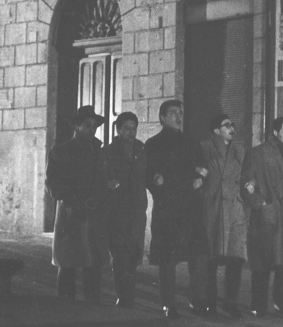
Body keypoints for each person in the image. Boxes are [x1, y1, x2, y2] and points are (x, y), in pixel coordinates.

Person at [145, 99, 211, 318]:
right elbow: (147, 174)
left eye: (180, 113)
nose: (178, 117)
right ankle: (168, 302)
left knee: (198, 257)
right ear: (162, 118)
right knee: (168, 258)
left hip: (191, 209)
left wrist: (201, 179)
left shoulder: (191, 143)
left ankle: (198, 300)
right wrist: (155, 180)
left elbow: (203, 169)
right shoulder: (153, 144)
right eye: (173, 113)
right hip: (168, 209)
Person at [240, 117, 283, 320]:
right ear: (275, 133)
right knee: (263, 263)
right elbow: (245, 183)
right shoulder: (258, 153)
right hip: (268, 215)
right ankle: (258, 305)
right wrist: (260, 204)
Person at [46, 105, 109, 302]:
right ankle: (66, 312)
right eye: (87, 125)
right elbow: (53, 185)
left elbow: (104, 180)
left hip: (95, 215)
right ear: (77, 126)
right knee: (68, 264)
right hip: (71, 216)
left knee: (94, 265)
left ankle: (93, 309)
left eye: (94, 126)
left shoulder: (100, 152)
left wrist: (99, 198)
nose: (92, 129)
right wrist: (77, 200)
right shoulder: (61, 151)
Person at [197, 114, 248, 317]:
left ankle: (231, 301)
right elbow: (195, 174)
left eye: (232, 125)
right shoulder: (204, 148)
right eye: (227, 126)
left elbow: (246, 176)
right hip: (213, 209)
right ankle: (209, 303)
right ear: (216, 130)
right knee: (211, 259)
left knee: (236, 258)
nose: (232, 129)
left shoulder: (239, 151)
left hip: (235, 210)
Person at [100, 112, 147, 308]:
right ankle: (122, 295)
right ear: (118, 130)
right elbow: (100, 179)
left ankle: (130, 295)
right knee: (120, 254)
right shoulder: (108, 152)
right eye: (126, 128)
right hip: (117, 212)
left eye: (134, 128)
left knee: (134, 253)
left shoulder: (141, 149)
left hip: (137, 211)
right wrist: (108, 184)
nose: (131, 132)